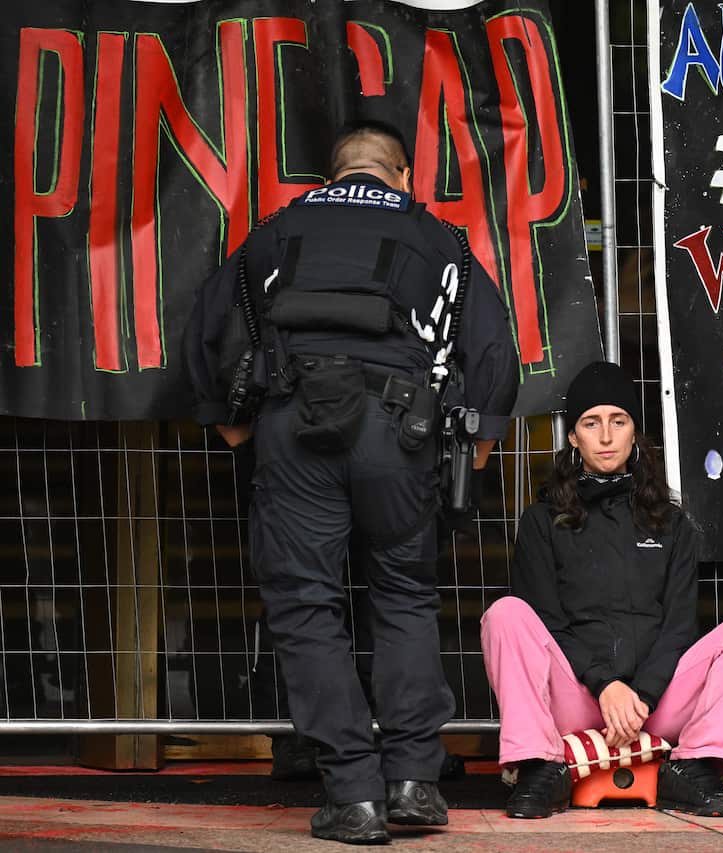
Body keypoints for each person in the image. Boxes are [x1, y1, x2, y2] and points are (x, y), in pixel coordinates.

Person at [185, 119, 518, 844]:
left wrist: (232, 425)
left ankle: (354, 792)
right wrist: (480, 445)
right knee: (404, 596)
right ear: (402, 176)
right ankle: (412, 781)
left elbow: (209, 329)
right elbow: (492, 347)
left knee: (306, 604)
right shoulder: (440, 238)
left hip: (294, 429)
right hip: (401, 433)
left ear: (333, 176)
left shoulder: (274, 232)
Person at [481, 361, 723, 819]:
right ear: (573, 437)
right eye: (591, 423)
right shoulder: (542, 521)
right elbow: (548, 623)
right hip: (578, 698)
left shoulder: (672, 523)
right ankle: (537, 766)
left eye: (618, 421)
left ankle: (694, 765)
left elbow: (680, 627)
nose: (605, 436)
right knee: (505, 613)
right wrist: (606, 686)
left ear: (634, 433)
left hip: (654, 705)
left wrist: (639, 695)